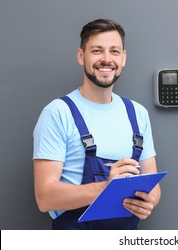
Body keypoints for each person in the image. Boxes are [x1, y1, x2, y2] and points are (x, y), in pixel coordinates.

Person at [33, 19, 161, 230]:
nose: (106, 59)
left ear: (124, 58)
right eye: (97, 51)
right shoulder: (58, 113)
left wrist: (150, 202)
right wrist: (106, 188)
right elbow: (45, 197)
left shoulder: (137, 114)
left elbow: (152, 184)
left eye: (114, 51)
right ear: (81, 56)